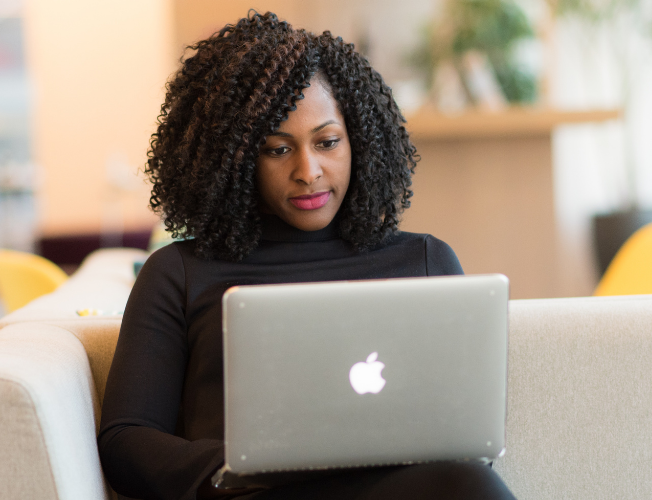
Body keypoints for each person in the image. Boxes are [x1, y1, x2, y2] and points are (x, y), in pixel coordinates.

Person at [97, 12, 516, 500]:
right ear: (233, 158)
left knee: (470, 482)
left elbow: (457, 426)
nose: (308, 170)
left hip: (403, 490)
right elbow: (126, 440)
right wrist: (234, 467)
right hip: (254, 494)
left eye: (328, 142)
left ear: (359, 140)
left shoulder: (425, 261)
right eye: (277, 149)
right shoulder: (178, 273)